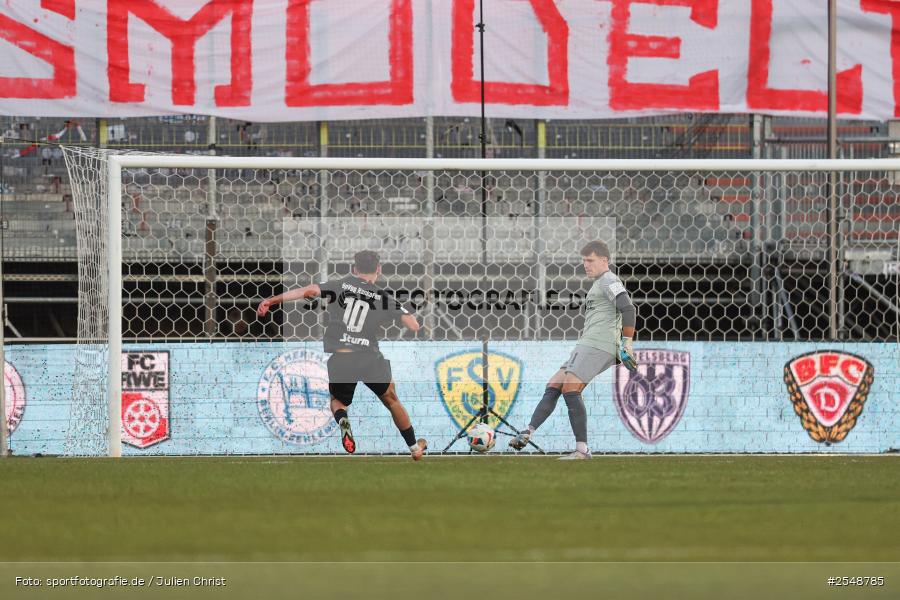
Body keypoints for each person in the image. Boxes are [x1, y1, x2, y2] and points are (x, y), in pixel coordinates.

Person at [256, 251, 427, 460]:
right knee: (391, 399)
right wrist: (393, 311)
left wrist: (271, 301)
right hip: (369, 357)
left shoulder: (340, 285)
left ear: (354, 269)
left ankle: (343, 419)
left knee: (338, 402)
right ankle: (414, 448)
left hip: (341, 358)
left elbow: (308, 290)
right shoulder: (384, 297)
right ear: (378, 269)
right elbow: (413, 326)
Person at [509, 240, 638, 459]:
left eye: (590, 260)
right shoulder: (599, 283)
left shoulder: (609, 279)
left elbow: (628, 308)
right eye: (584, 261)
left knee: (570, 388)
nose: (586, 265)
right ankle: (527, 432)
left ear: (604, 260)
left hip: (599, 343)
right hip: (587, 343)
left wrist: (627, 341)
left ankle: (582, 450)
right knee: (555, 384)